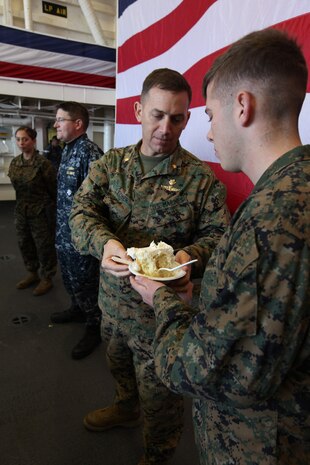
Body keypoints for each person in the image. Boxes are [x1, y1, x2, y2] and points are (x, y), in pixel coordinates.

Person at [130, 30, 310, 465]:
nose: (208, 132)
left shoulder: (270, 218)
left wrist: (165, 302)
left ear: (242, 107)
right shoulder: (297, 188)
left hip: (258, 444)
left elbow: (211, 370)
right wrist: (208, 290)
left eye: (209, 115)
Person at [69, 68, 230, 464]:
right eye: (157, 114)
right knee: (118, 366)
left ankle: (159, 453)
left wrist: (186, 257)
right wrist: (103, 241)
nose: (165, 127)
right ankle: (125, 409)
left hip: (161, 318)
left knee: (162, 397)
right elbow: (81, 211)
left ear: (187, 119)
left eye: (176, 118)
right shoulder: (111, 165)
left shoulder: (200, 179)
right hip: (113, 305)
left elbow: (219, 236)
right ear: (139, 110)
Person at [50, 101, 103, 360]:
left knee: (86, 282)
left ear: (78, 124)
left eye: (61, 119)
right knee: (70, 279)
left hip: (81, 238)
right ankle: (77, 308)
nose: (56, 124)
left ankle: (94, 325)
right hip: (64, 232)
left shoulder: (90, 153)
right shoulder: (67, 150)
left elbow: (99, 199)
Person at [8, 126, 57, 296]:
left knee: (44, 246)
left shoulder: (43, 164)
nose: (21, 143)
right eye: (19, 139)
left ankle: (47, 277)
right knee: (24, 243)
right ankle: (32, 273)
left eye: (25, 139)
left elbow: (53, 189)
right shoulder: (15, 163)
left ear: (34, 141)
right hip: (21, 211)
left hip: (40, 212)